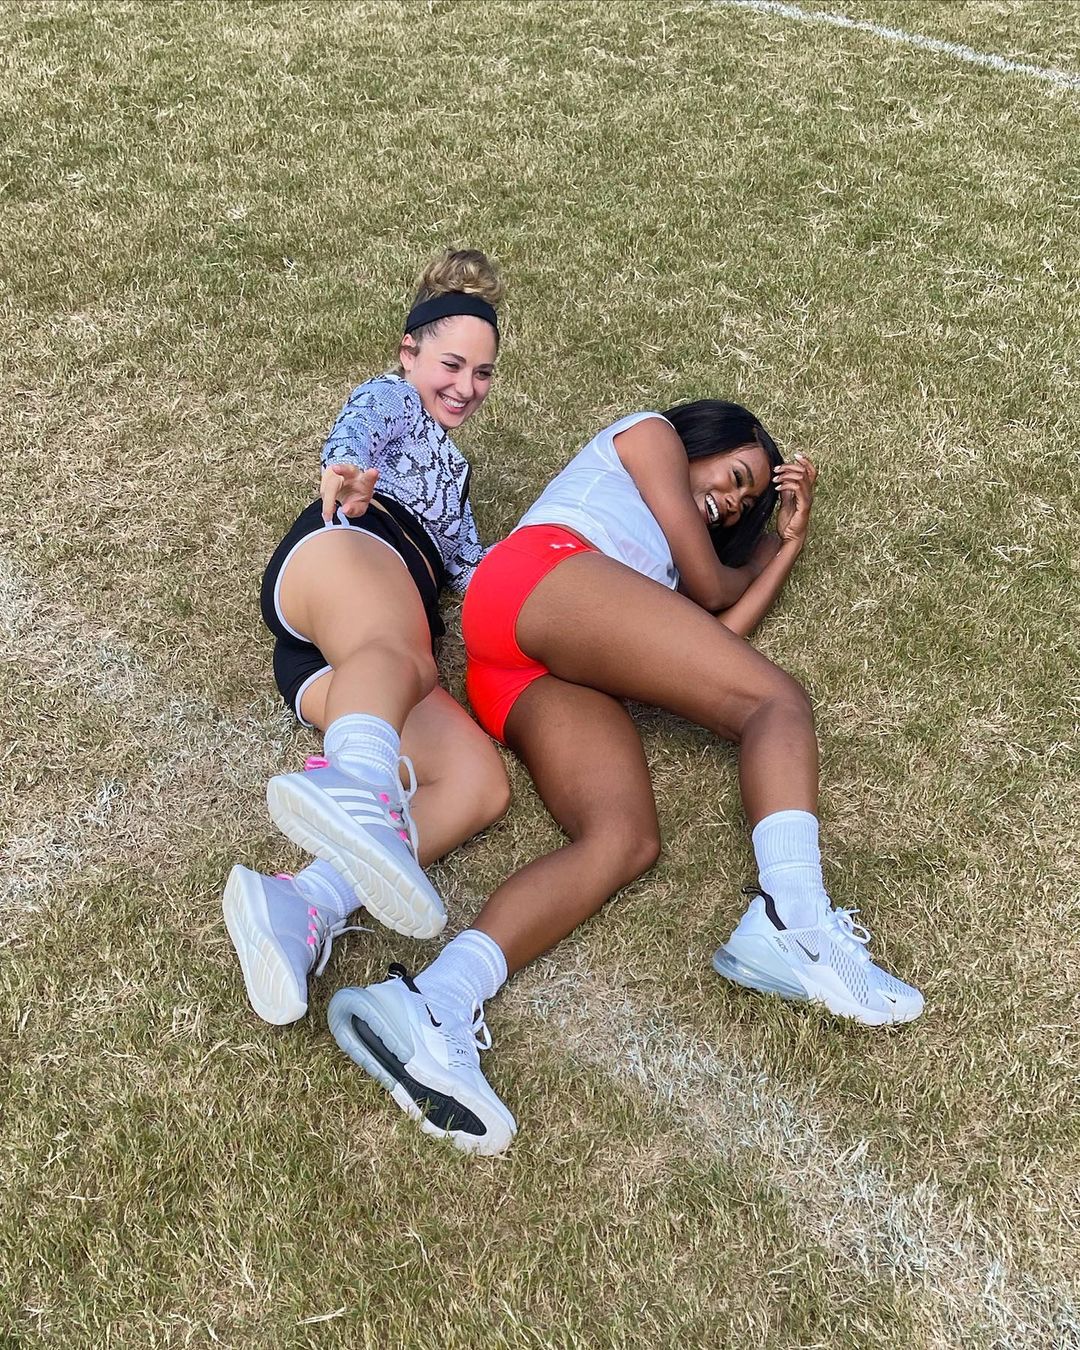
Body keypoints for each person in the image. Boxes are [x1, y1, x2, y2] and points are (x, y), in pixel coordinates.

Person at [325, 400, 925, 1155]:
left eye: (745, 505)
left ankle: (433, 1002)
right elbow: (714, 592)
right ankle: (796, 918)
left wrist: (786, 547)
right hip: (539, 574)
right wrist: (766, 544)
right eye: (737, 476)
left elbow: (716, 639)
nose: (733, 501)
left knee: (623, 840)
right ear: (706, 438)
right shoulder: (651, 435)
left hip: (518, 665)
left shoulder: (659, 570)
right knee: (777, 702)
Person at [223, 248, 510, 1027]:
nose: (467, 386)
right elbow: (357, 433)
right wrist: (347, 470)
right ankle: (357, 783)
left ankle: (301, 904)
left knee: (477, 785)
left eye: (484, 373)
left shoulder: (456, 476)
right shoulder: (391, 400)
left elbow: (473, 570)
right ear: (409, 352)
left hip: (346, 663)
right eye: (452, 364)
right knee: (403, 654)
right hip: (343, 557)